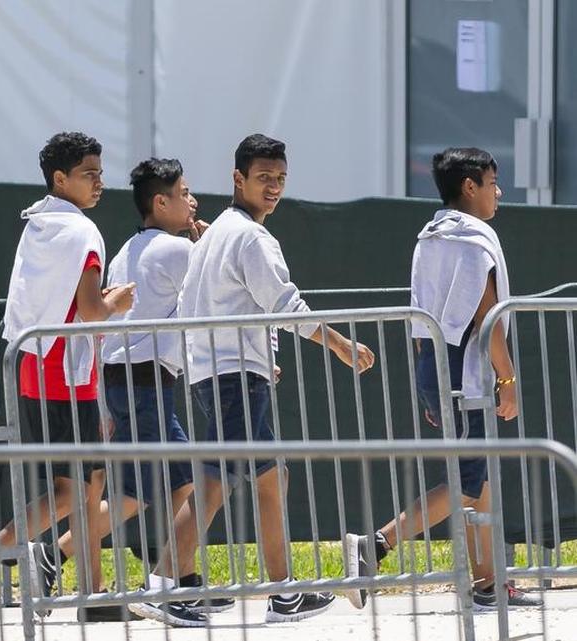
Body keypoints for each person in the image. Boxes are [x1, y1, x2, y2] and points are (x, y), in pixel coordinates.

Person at [177, 134, 375, 623]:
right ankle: (166, 583)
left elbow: (213, 305)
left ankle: (282, 592)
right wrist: (339, 343)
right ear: (238, 179)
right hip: (232, 376)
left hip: (221, 371)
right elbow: (284, 304)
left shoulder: (218, 232)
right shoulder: (249, 236)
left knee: (258, 477)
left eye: (281, 179)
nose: (274, 188)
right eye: (264, 178)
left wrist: (260, 355)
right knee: (219, 482)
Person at [343, 147, 542, 612]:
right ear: (469, 186)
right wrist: (508, 378)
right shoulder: (473, 237)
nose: (498, 192)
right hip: (464, 368)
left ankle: (488, 583)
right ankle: (376, 545)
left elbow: (421, 312)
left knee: (481, 475)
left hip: (434, 361)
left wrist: (426, 380)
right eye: (493, 182)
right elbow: (484, 309)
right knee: (467, 482)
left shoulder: (428, 235)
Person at [0, 132, 135, 625]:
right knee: (75, 489)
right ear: (60, 178)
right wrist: (116, 303)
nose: (99, 183)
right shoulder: (84, 232)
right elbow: (89, 311)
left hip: (33, 363)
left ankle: (94, 593)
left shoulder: (37, 224)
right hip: (66, 370)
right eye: (89, 174)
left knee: (89, 485)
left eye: (100, 173)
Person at [53, 157, 220, 626]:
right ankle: (57, 554)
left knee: (183, 482)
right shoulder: (177, 249)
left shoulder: (131, 246)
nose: (193, 202)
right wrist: (204, 244)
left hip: (128, 379)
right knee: (140, 493)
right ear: (160, 202)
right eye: (184, 193)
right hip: (143, 382)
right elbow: (217, 287)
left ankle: (182, 581)